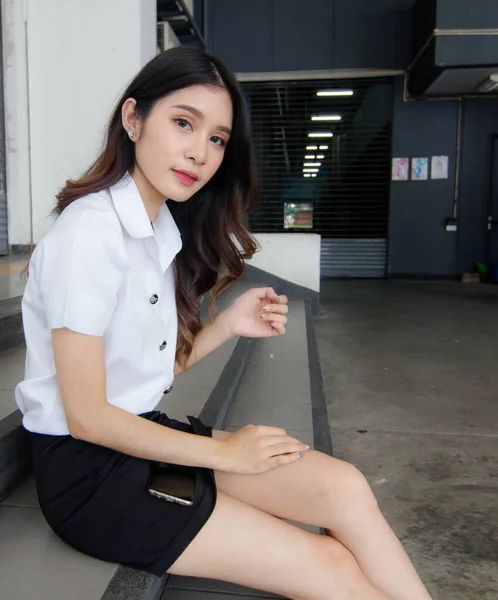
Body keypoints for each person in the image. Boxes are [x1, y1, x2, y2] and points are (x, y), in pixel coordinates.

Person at [15, 46, 433, 600]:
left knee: (345, 488)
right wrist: (224, 452)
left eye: (216, 139)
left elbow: (144, 369)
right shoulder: (87, 236)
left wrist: (229, 324)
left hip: (143, 439)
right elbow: (88, 417)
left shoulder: (158, 228)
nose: (200, 153)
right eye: (183, 123)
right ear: (133, 119)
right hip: (91, 477)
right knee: (331, 565)